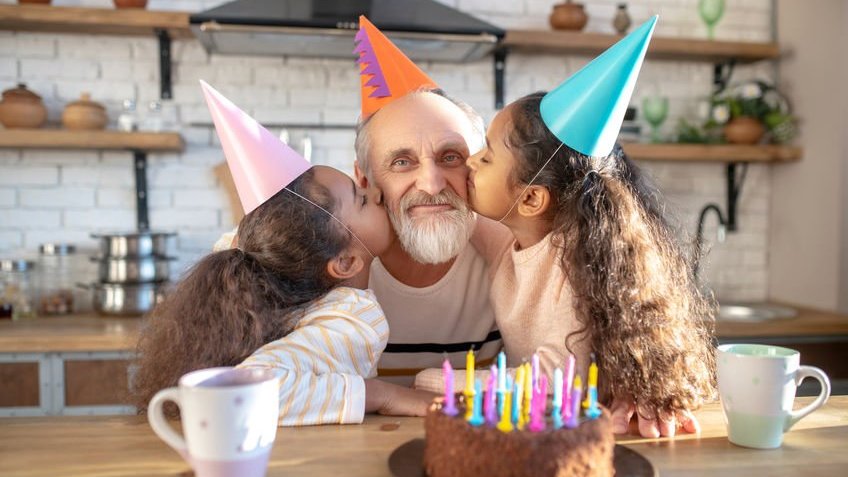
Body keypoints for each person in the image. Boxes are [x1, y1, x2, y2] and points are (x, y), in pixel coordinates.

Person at [464, 18, 716, 438]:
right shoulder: (517, 240)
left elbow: (550, 381)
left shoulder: (570, 266)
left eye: (486, 157)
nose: (472, 160)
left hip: (585, 440)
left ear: (531, 199)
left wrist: (439, 382)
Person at [133, 82, 430, 425]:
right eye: (361, 200)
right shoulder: (351, 319)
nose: (376, 194)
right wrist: (383, 394)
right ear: (346, 262)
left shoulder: (279, 281)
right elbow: (239, 392)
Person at [351, 16, 502, 383]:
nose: (432, 184)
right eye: (402, 162)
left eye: (450, 157)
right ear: (366, 180)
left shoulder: (509, 257)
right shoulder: (335, 269)